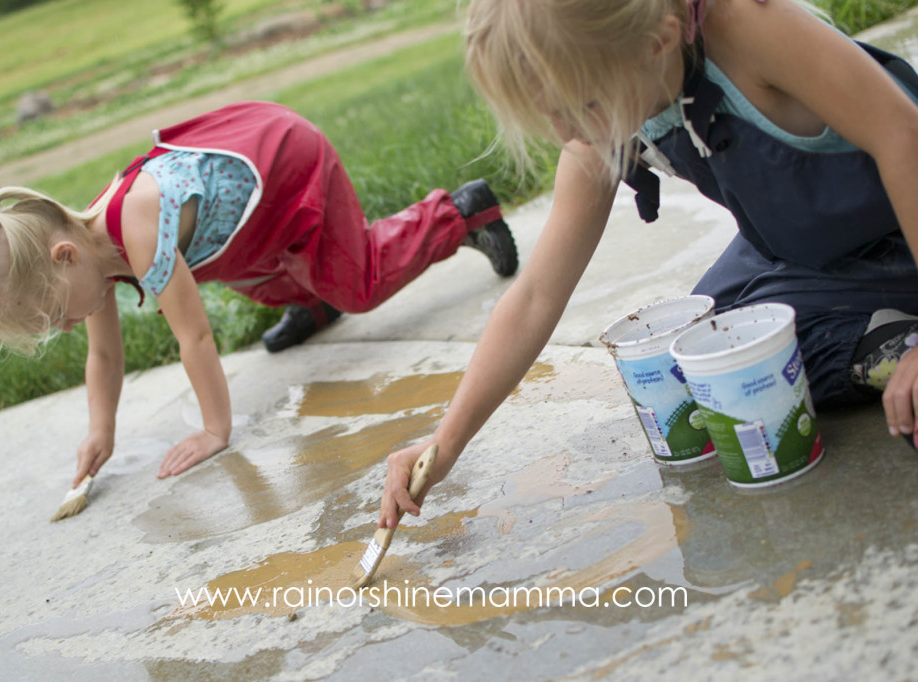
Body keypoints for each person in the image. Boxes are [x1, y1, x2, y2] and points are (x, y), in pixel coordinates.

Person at [379, 0, 918, 529]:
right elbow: (537, 293)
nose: (568, 131)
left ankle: (894, 348)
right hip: (804, 249)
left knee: (753, 378)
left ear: (658, 40)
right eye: (551, 113)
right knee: (699, 374)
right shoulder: (617, 83)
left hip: (899, 232)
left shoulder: (748, 25)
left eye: (580, 105)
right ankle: (870, 333)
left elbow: (904, 135)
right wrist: (445, 443)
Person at [0, 100, 518, 486]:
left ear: (64, 256)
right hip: (247, 228)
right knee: (262, 279)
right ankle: (310, 301)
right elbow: (103, 356)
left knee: (358, 283)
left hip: (288, 164)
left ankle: (461, 214)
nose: (65, 327)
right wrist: (101, 431)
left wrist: (214, 430)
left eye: (55, 315)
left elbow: (194, 336)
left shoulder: (136, 232)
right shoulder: (89, 262)